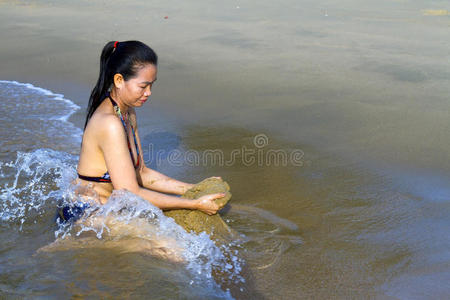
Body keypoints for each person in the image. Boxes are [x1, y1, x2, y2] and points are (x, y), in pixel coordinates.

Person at [62, 40, 225, 223]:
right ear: (118, 80)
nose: (149, 93)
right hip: (84, 215)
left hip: (106, 210)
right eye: (143, 86)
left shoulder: (127, 112)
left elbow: (143, 173)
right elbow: (130, 193)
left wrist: (192, 189)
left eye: (151, 85)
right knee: (170, 248)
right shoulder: (109, 124)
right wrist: (193, 203)